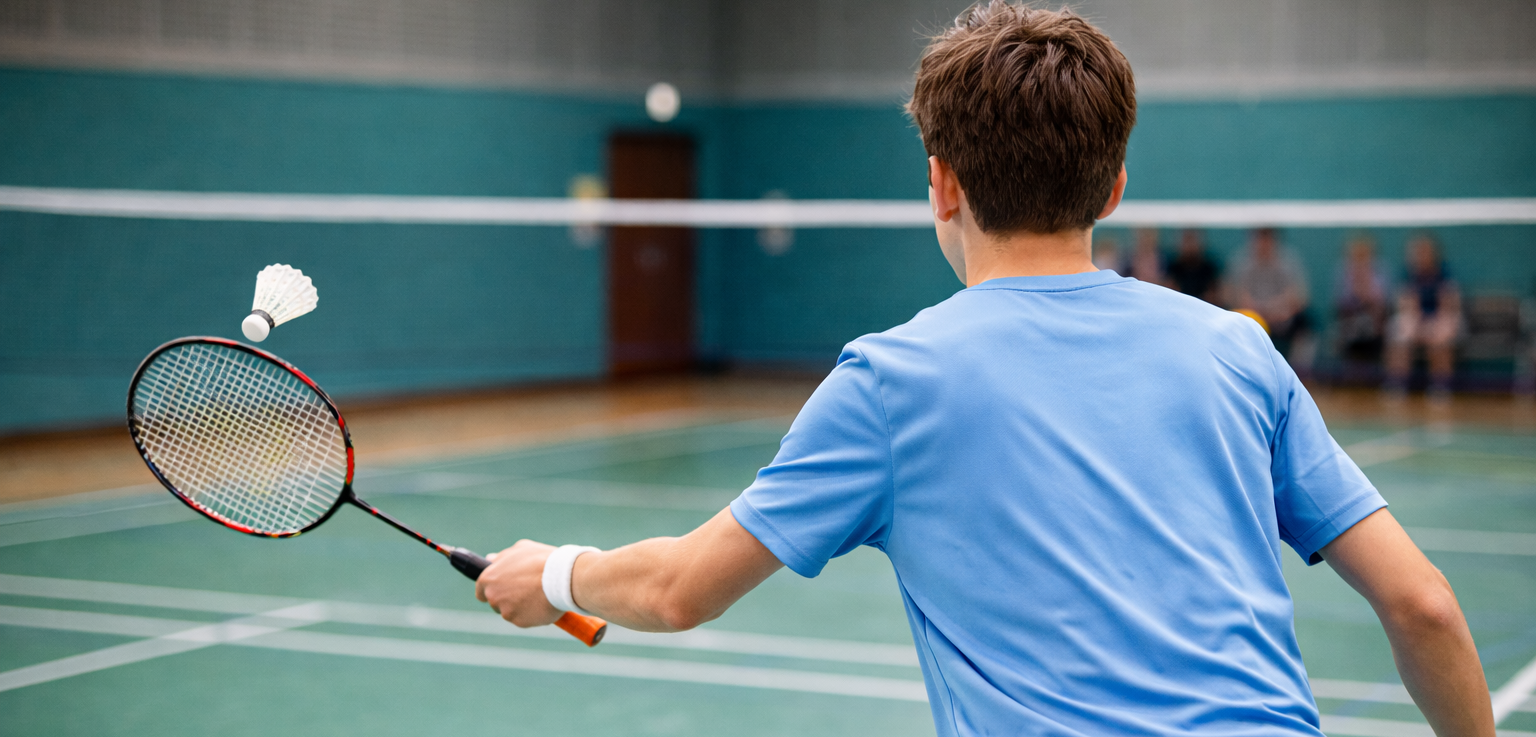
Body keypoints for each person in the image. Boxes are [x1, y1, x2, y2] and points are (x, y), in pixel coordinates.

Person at [477, 5, 1494, 736]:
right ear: (1117, 183)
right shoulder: (1237, 347)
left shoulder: (889, 382)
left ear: (942, 181)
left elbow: (679, 587)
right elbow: (1425, 606)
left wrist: (554, 572)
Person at [1385, 233, 1461, 397]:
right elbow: (1406, 304)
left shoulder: (1444, 273)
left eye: (1425, 251)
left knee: (1442, 333)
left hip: (1438, 318)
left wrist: (1431, 327)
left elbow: (1448, 305)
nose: (1420, 255)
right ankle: (1397, 383)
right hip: (1416, 319)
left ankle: (1441, 385)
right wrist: (1418, 326)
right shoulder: (1408, 274)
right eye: (1417, 252)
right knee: (1399, 330)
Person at [1231, 227, 1314, 366]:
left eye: (1267, 237)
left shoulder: (1289, 261)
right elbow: (1236, 296)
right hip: (1253, 319)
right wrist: (1258, 311)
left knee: (1308, 325)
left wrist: (1277, 311)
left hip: (1283, 317)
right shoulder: (1241, 262)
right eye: (1259, 237)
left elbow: (1300, 296)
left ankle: (1300, 373)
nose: (1263, 243)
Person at [1334, 232, 1391, 369]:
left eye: (1364, 254)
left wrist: (1365, 289)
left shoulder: (1381, 272)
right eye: (1356, 254)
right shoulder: (1343, 273)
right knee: (1342, 333)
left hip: (1375, 323)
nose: (1360, 258)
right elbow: (1341, 304)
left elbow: (1383, 305)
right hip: (1350, 322)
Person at [1166, 228, 1222, 303]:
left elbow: (1214, 294)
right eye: (1186, 241)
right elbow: (1170, 293)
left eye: (1192, 240)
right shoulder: (1173, 268)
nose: (1189, 245)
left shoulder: (1209, 269)